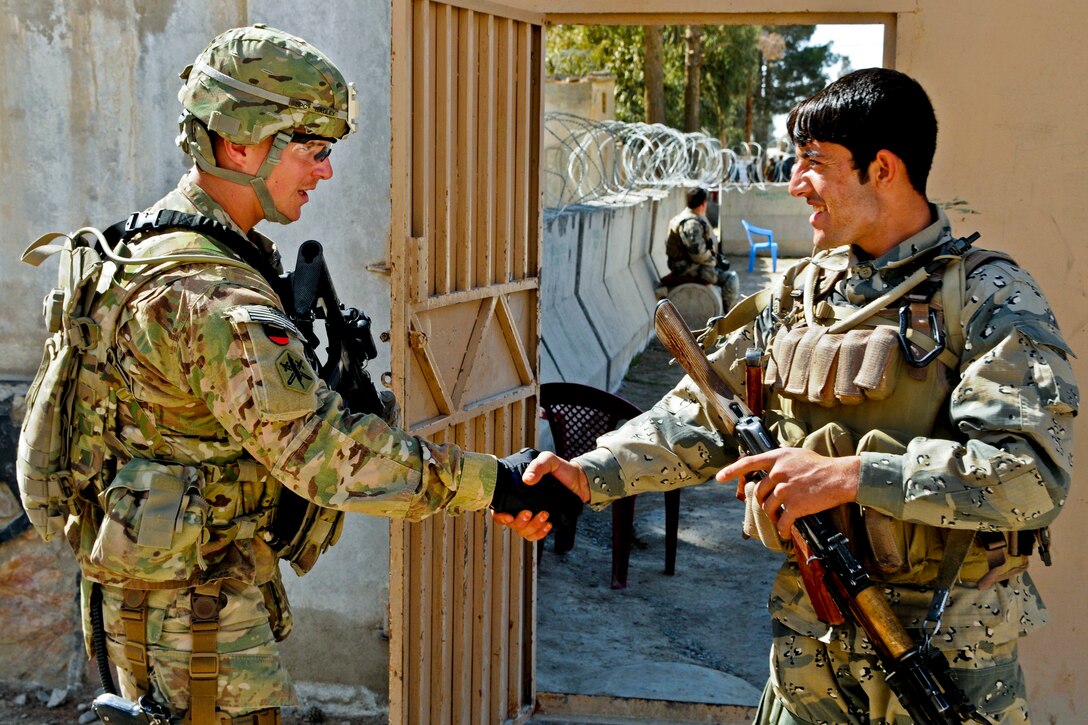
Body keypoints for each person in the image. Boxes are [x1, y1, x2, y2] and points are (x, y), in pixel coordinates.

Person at [17, 25, 575, 723]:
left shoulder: (137, 248)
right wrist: (494, 482)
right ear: (241, 142)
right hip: (197, 633)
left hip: (151, 604)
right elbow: (329, 456)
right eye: (312, 150)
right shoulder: (215, 297)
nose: (325, 170)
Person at [499, 68, 1077, 723]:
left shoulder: (987, 297)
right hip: (809, 654)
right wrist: (585, 474)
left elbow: (1030, 475)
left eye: (814, 163)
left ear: (883, 168)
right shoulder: (799, 294)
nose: (795, 182)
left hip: (941, 660)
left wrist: (853, 476)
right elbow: (703, 416)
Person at [663, 186, 740, 311]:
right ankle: (731, 317)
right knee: (731, 279)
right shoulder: (691, 223)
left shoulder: (684, 217)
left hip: (683, 264)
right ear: (703, 204)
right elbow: (698, 253)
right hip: (685, 267)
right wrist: (714, 262)